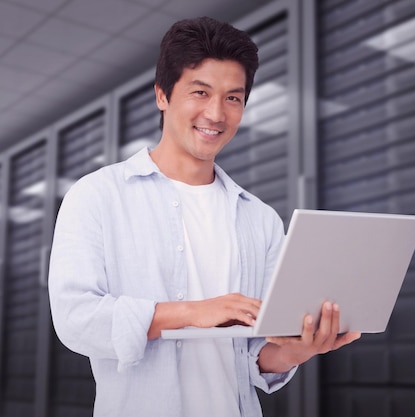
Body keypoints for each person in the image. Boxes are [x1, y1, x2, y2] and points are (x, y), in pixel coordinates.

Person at [48, 16, 360, 417]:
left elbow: (255, 357)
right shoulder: (97, 196)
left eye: (233, 98)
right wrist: (195, 312)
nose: (216, 114)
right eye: (200, 92)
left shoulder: (260, 220)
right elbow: (76, 319)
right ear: (162, 95)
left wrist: (298, 349)